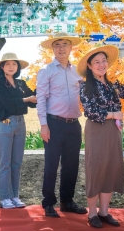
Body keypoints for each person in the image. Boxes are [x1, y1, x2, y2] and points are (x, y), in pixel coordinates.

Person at [78, 44, 124, 229]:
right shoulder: (86, 86)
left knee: (110, 167)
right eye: (97, 62)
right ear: (89, 66)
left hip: (113, 131)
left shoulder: (112, 85)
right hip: (97, 130)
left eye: (104, 61)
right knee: (96, 168)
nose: (101, 64)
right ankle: (92, 213)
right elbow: (90, 112)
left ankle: (104, 212)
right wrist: (113, 115)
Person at [36, 32, 87, 218]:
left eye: (65, 44)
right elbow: (41, 99)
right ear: (52, 49)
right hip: (53, 124)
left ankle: (67, 201)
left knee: (71, 165)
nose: (61, 48)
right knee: (51, 164)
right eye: (57, 45)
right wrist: (44, 125)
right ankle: (48, 202)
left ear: (71, 47)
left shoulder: (78, 72)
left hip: (73, 124)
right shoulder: (46, 71)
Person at [0, 52, 37, 209]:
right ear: (2, 67)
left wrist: (39, 90)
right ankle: (4, 197)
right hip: (6, 123)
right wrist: (26, 99)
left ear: (18, 67)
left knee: (17, 162)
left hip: (20, 123)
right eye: (7, 64)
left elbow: (32, 102)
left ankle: (14, 196)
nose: (11, 67)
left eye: (14, 64)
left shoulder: (21, 83)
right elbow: (8, 103)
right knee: (5, 162)